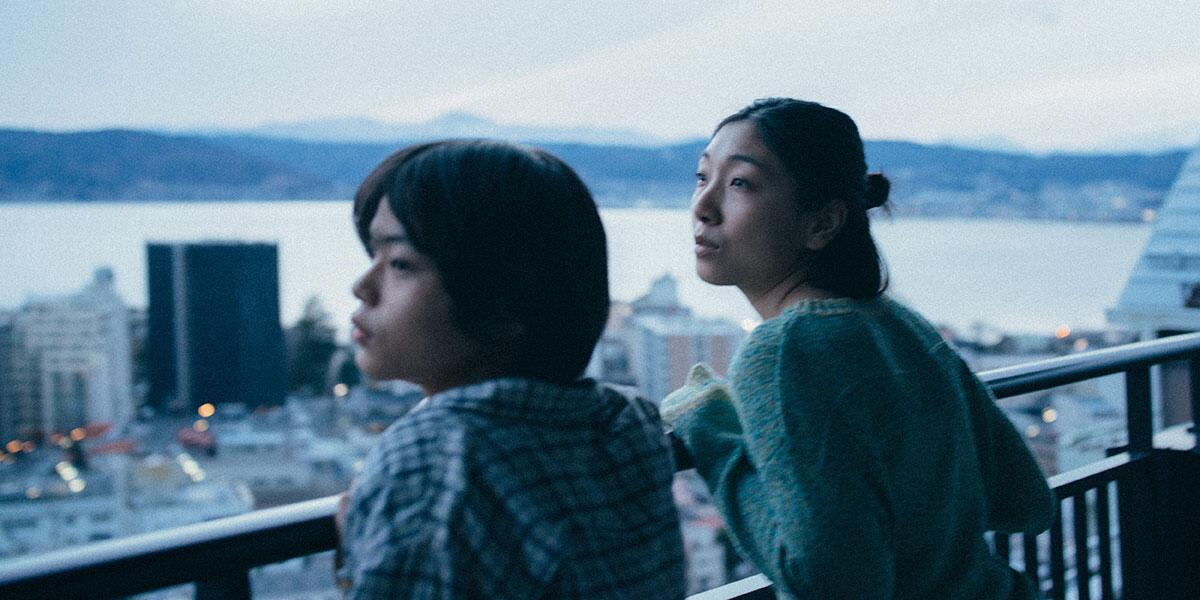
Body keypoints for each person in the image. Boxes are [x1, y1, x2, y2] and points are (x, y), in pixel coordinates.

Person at [661, 98, 1055, 599]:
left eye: (740, 183)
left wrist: (709, 426)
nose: (703, 206)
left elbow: (829, 582)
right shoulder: (901, 326)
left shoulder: (783, 351)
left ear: (821, 223)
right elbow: (1024, 500)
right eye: (702, 178)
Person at [337, 140, 686, 599]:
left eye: (400, 263)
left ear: (505, 301)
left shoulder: (432, 461)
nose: (361, 287)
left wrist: (353, 560)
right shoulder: (628, 421)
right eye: (372, 258)